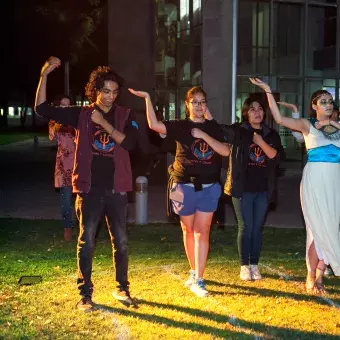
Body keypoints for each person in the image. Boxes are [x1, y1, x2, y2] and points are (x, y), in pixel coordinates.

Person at [35, 57, 139, 310]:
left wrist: (104, 123)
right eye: (105, 91)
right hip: (89, 188)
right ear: (95, 91)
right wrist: (44, 76)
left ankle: (122, 288)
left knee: (121, 241)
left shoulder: (125, 115)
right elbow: (42, 109)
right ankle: (85, 294)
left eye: (114, 92)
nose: (110, 97)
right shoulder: (81, 114)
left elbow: (131, 144)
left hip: (116, 187)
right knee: (87, 240)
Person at [129, 86, 230, 297]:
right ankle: (194, 272)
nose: (199, 106)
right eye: (195, 102)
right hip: (181, 185)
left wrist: (203, 135)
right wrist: (148, 97)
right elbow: (154, 125)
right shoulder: (179, 126)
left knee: (203, 230)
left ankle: (199, 279)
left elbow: (225, 151)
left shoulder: (212, 127)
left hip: (209, 187)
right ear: (187, 105)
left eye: (203, 102)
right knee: (188, 230)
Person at [250, 78, 340, 294]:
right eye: (324, 101)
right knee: (316, 230)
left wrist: (335, 124)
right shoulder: (307, 125)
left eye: (330, 102)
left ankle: (320, 277)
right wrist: (268, 92)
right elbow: (280, 119)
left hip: (334, 182)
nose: (328, 105)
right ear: (314, 106)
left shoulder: (338, 126)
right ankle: (311, 278)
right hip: (315, 181)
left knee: (331, 228)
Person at [218, 97, 282, 281]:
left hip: (263, 188)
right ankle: (244, 265)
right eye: (252, 109)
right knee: (245, 227)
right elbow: (217, 129)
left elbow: (275, 157)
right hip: (242, 188)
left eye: (260, 108)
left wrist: (260, 141)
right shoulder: (238, 131)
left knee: (256, 228)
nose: (257, 112)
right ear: (246, 112)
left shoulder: (271, 134)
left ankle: (254, 264)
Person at [48, 95, 75, 241]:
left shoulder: (77, 120)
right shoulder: (54, 121)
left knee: (83, 199)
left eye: (68, 104)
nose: (65, 106)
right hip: (63, 166)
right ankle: (67, 227)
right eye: (62, 104)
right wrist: (59, 121)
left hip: (78, 164)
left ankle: (85, 225)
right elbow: (52, 136)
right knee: (65, 200)